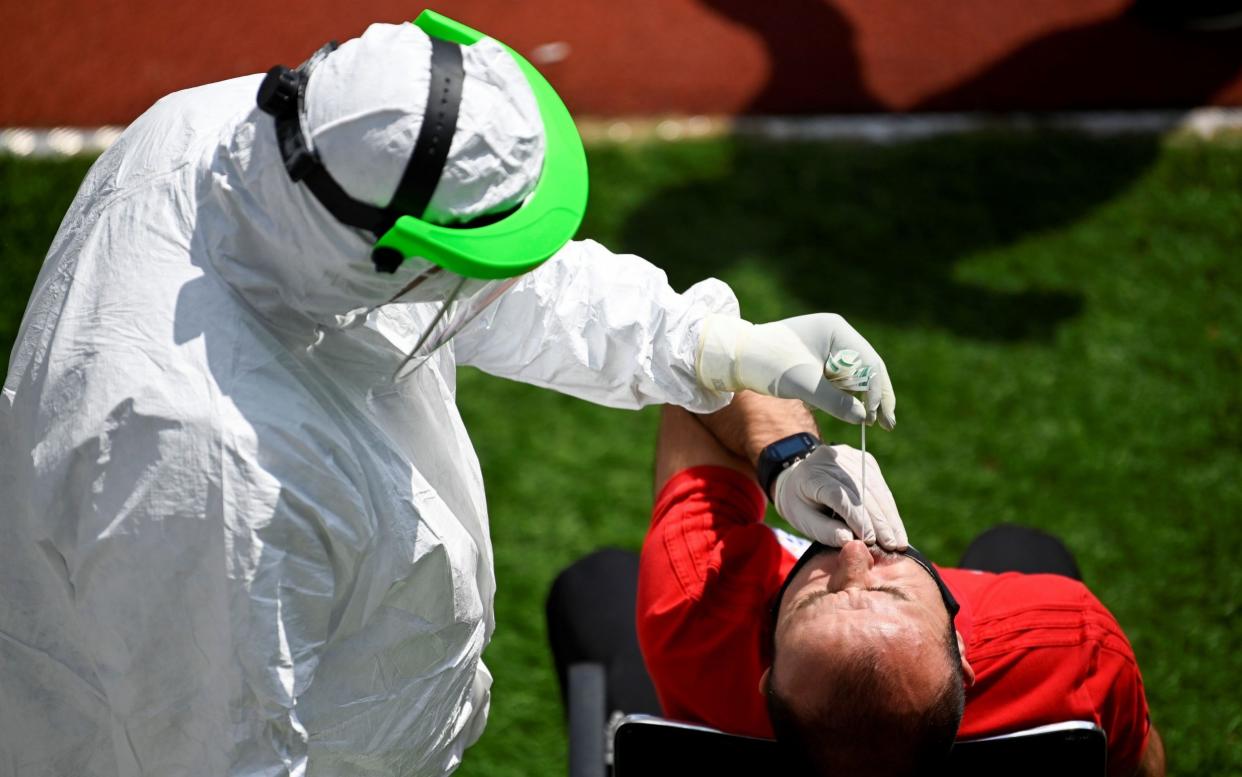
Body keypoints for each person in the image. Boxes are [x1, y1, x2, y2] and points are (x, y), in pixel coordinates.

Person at [0, 12, 902, 777]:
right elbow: (221, 752)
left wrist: (719, 345)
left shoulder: (247, 140)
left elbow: (499, 284)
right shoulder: (202, 470)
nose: (507, 277)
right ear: (397, 260)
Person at [628, 391, 1165, 777]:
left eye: (820, 596)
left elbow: (699, 384)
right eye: (889, 592)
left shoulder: (698, 601)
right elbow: (1137, 762)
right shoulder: (1067, 643)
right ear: (960, 654)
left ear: (769, 681)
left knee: (597, 581)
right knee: (1022, 548)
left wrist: (787, 456)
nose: (855, 555)